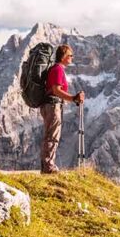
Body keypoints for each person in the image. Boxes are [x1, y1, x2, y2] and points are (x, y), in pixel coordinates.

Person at [39, 44, 84, 174]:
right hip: (53, 106)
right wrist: (73, 98)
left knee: (50, 136)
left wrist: (72, 99)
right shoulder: (58, 69)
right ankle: (49, 167)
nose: (72, 57)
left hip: (49, 105)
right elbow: (56, 90)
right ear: (63, 56)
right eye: (70, 55)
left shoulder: (56, 69)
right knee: (52, 137)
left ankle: (46, 166)